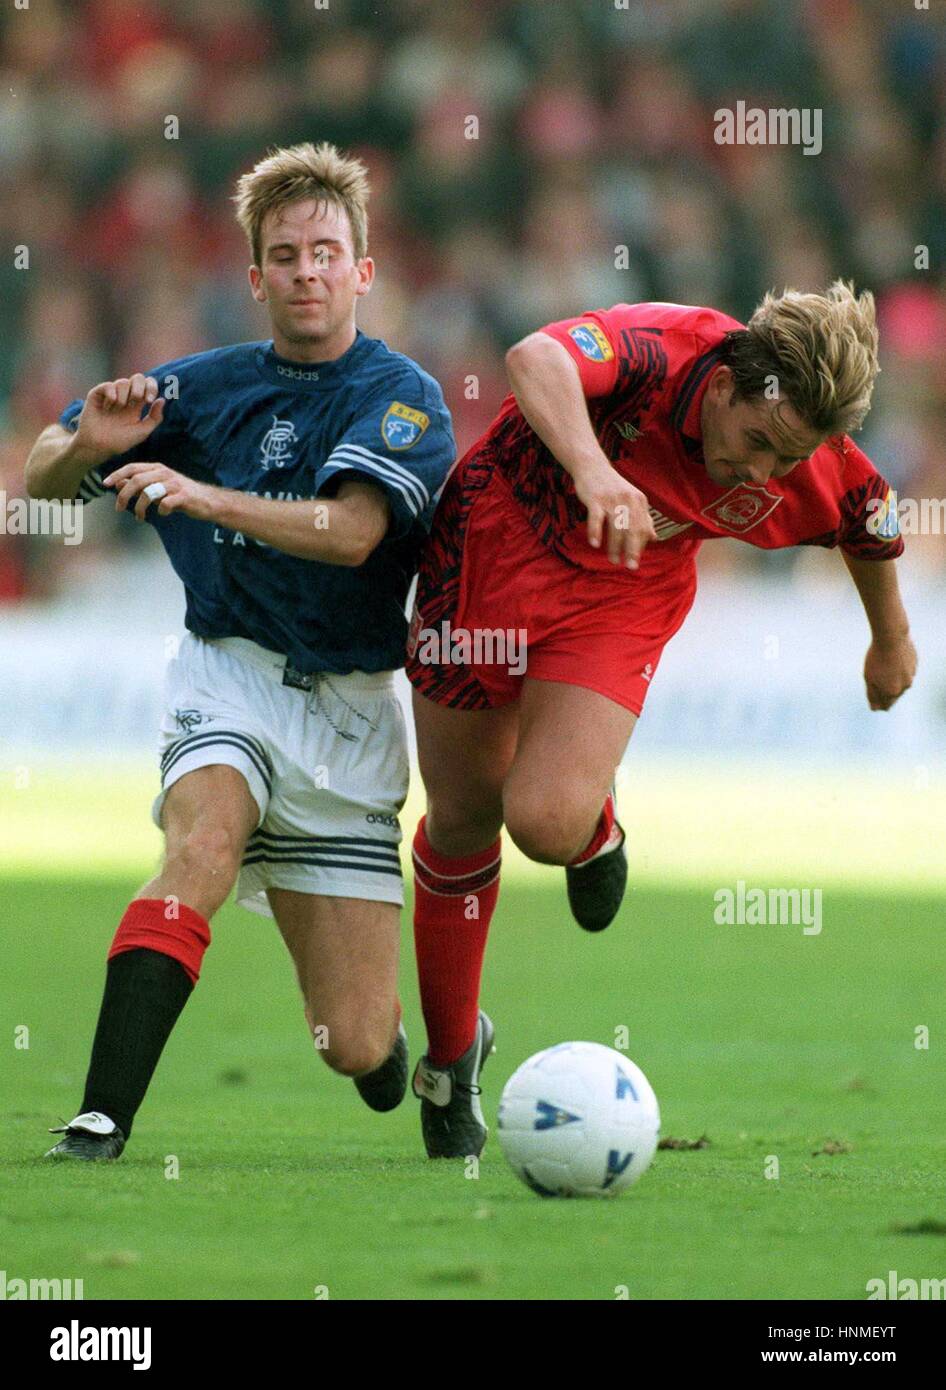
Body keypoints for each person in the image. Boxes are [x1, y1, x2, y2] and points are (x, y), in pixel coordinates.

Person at [403, 285, 916, 1158]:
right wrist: (594, 470)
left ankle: (591, 827)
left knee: (543, 821)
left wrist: (890, 641)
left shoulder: (801, 455)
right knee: (459, 817)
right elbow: (536, 357)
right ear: (723, 387)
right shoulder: (664, 348)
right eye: (757, 442)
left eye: (786, 458)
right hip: (489, 549)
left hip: (623, 587)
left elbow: (870, 522)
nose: (763, 474)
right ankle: (453, 1060)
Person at [24, 142, 455, 1160]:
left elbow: (351, 532)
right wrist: (91, 441)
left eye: (326, 252)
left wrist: (201, 494)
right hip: (227, 679)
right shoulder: (199, 388)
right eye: (286, 255)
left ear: (364, 271)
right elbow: (41, 477)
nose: (307, 271)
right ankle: (101, 1118)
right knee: (201, 846)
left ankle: (421, 1048)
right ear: (255, 277)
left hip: (349, 716)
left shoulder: (404, 397)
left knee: (354, 1044)